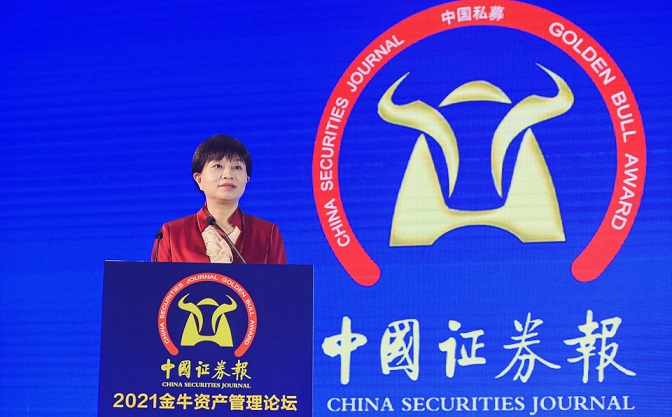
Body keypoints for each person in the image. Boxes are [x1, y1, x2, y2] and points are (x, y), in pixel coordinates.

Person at [152, 134, 287, 264]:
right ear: (199, 179)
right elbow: (159, 280)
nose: (228, 175)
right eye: (218, 166)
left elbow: (279, 280)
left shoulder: (267, 233)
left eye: (237, 167)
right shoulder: (171, 234)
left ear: (247, 179)